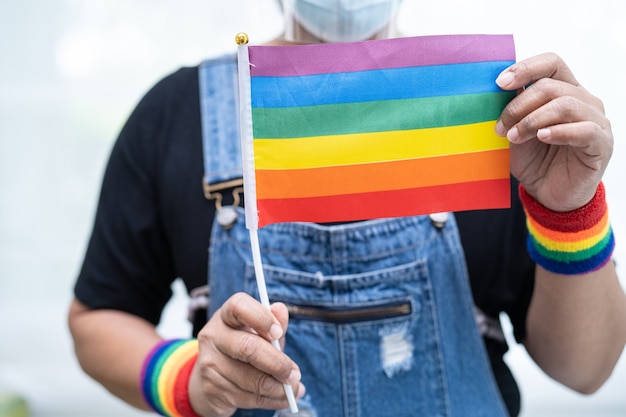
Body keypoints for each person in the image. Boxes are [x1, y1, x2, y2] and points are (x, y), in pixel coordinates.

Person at [68, 1, 626, 416]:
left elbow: (585, 369)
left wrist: (569, 211)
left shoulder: (494, 119)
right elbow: (96, 319)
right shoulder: (176, 114)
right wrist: (187, 379)